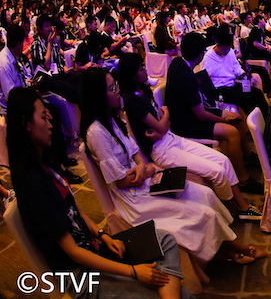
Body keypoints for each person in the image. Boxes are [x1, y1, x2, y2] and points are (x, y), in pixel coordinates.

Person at [7, 87, 194, 299]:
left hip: (94, 249)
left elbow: (74, 210)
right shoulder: (32, 181)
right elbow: (73, 252)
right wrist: (133, 271)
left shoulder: (46, 163)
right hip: (78, 276)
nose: (51, 124)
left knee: (165, 240)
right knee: (182, 294)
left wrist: (102, 235)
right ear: (26, 124)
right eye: (43, 117)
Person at [80, 68, 264, 265]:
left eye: (116, 85)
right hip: (133, 197)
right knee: (202, 213)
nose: (117, 90)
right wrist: (147, 169)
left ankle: (224, 247)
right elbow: (123, 182)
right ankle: (236, 248)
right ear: (97, 96)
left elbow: (136, 154)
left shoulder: (111, 119)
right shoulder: (97, 133)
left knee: (205, 194)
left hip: (144, 179)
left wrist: (143, 168)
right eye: (111, 88)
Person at [118, 53, 261, 221]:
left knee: (224, 161)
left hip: (171, 138)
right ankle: (233, 209)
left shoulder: (144, 90)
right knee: (217, 172)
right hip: (161, 150)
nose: (145, 70)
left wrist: (162, 125)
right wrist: (165, 119)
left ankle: (243, 207)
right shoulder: (131, 100)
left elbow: (162, 125)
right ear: (131, 74)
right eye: (141, 68)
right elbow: (162, 123)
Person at [165, 32, 263, 195]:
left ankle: (246, 155)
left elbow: (199, 107)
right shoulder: (186, 76)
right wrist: (224, 119)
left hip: (188, 114)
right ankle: (243, 180)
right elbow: (201, 114)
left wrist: (224, 113)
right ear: (200, 55)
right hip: (184, 124)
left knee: (238, 119)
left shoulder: (177, 63)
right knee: (232, 131)